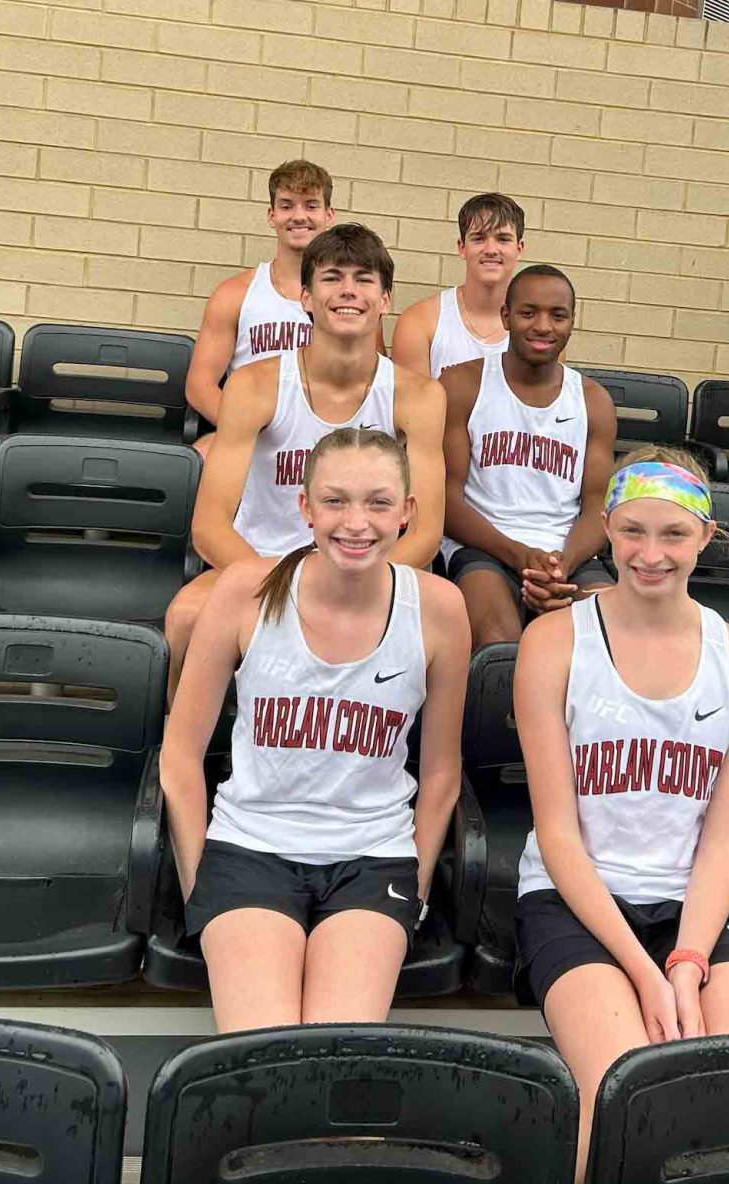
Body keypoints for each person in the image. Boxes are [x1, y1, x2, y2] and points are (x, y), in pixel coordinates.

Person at [513, 447, 729, 1184]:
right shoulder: (554, 641)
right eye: (632, 531)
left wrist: (688, 964)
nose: (649, 553)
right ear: (604, 529)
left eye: (672, 534)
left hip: (693, 907)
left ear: (705, 535)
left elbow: (723, 838)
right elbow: (558, 836)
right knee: (625, 1107)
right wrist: (644, 971)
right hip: (576, 902)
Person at [160, 427, 470, 1033]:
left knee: (332, 1051)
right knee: (263, 1050)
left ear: (407, 512)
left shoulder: (437, 608)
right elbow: (179, 755)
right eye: (335, 501)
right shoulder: (245, 591)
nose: (356, 523)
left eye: (379, 502)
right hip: (249, 848)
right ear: (304, 507)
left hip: (373, 855)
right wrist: (202, 880)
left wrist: (419, 882)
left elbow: (440, 774)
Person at [164, 224, 446, 700]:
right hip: (265, 563)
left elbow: (424, 531)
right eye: (333, 278)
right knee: (186, 617)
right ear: (306, 298)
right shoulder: (256, 385)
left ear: (385, 300)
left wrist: (353, 586)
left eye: (364, 279)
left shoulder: (418, 396)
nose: (349, 291)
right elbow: (210, 526)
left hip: (368, 567)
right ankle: (185, 756)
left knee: (441, 631)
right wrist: (289, 590)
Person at [441, 264, 615, 651]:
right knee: (497, 644)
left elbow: (597, 507)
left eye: (557, 315)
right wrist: (522, 557)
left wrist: (560, 567)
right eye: (528, 312)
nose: (543, 326)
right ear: (506, 316)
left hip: (566, 555)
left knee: (609, 639)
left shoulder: (593, 401)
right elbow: (447, 502)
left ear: (572, 322)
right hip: (484, 548)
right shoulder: (463, 385)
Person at [185, 160, 336, 442]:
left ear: (329, 215)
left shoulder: (350, 301)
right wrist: (244, 429)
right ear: (271, 215)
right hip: (253, 437)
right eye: (287, 205)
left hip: (324, 444)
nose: (299, 215)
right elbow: (200, 386)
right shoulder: (235, 294)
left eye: (311, 205)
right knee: (203, 453)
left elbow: (369, 382)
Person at [391, 192, 524, 378]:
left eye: (503, 239)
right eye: (479, 238)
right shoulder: (419, 322)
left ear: (519, 249)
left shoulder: (539, 329)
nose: (491, 250)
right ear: (462, 247)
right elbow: (411, 403)